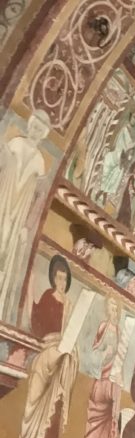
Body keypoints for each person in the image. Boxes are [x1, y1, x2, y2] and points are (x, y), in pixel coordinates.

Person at [0, 256, 79, 438]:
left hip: (60, 370)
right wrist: (31, 288)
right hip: (44, 364)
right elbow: (36, 324)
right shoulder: (47, 297)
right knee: (30, 420)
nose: (61, 281)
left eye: (65, 278)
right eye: (58, 277)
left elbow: (72, 340)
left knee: (50, 432)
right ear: (53, 278)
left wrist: (68, 353)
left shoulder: (70, 305)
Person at [70, 298, 122, 438]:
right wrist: (104, 354)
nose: (114, 309)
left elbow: (120, 363)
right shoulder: (103, 327)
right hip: (99, 388)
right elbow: (92, 356)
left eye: (116, 307)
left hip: (112, 390)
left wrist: (118, 377)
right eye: (111, 306)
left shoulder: (120, 332)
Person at [0, 110, 51, 321]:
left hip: (19, 212)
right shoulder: (15, 144)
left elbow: (40, 201)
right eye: (34, 126)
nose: (35, 131)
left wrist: (27, 226)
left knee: (6, 250)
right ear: (29, 125)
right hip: (3, 199)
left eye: (40, 129)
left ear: (44, 134)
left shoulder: (40, 161)